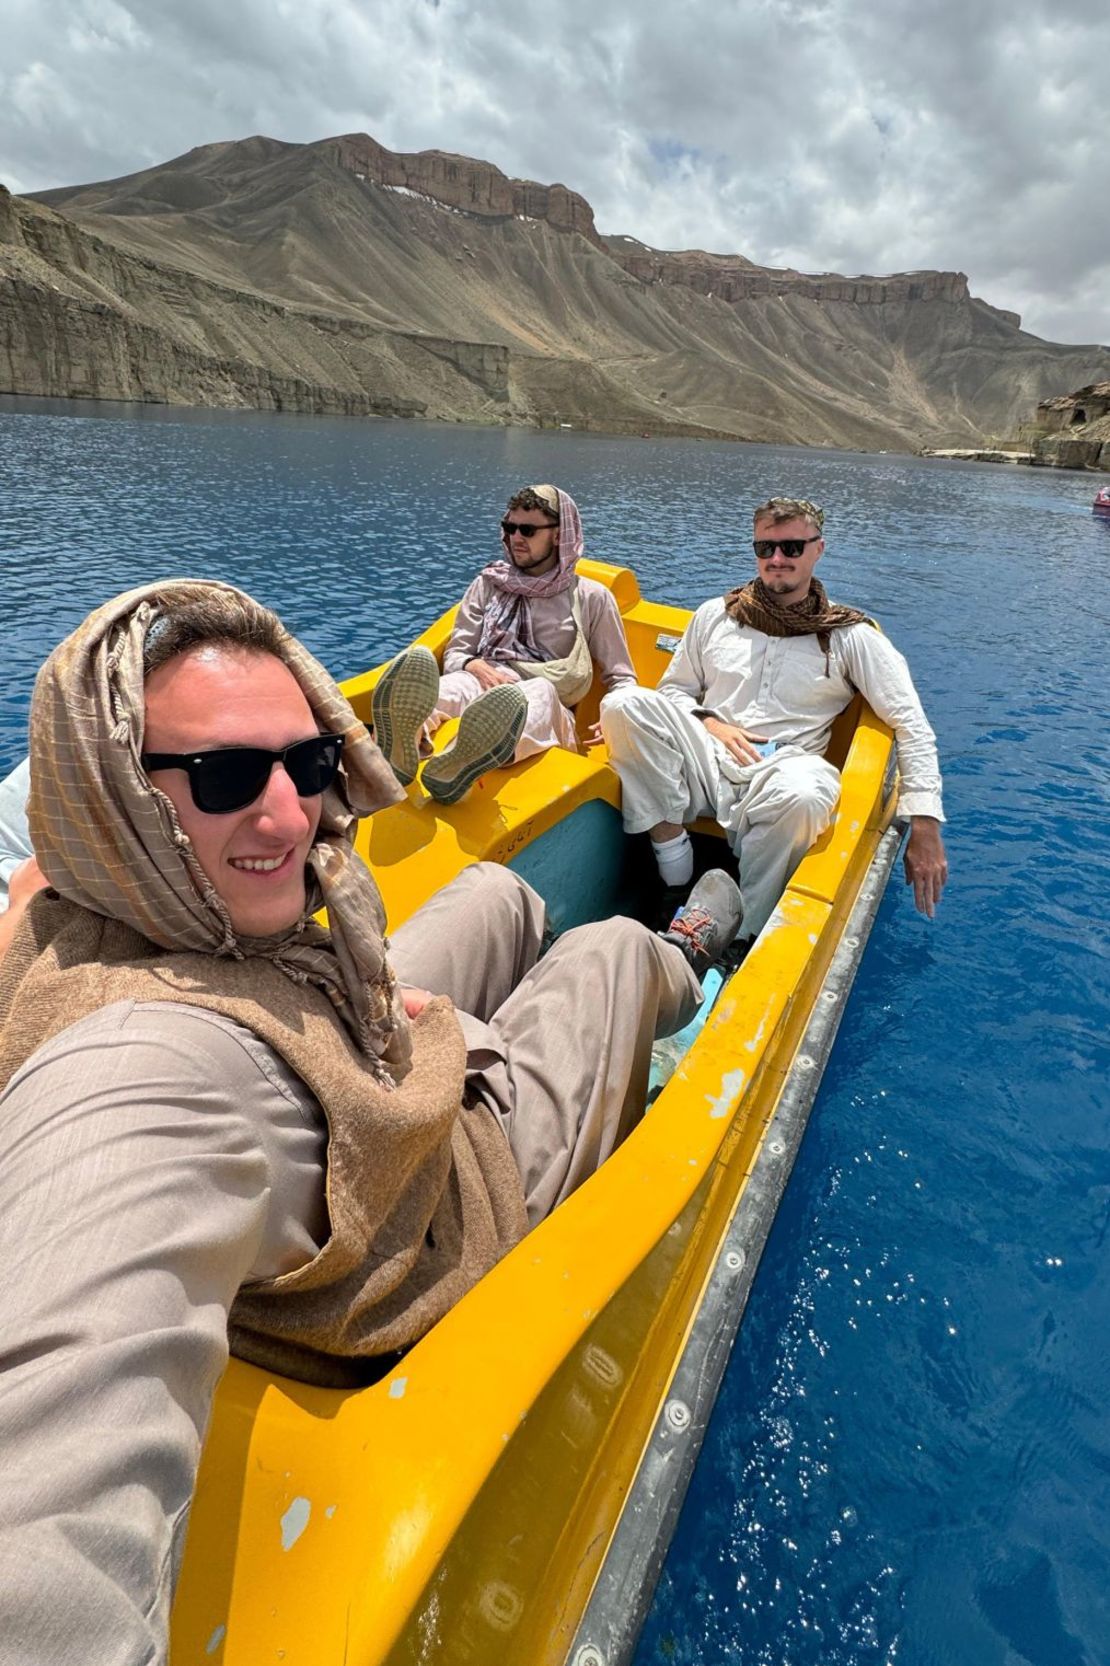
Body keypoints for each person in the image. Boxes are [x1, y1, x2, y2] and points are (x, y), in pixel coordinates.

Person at [0, 577, 730, 1663]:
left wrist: (375, 1011)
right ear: (113, 799)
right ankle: (693, 948)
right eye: (226, 776)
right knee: (605, 954)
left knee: (491, 894)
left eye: (305, 765)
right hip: (442, 1196)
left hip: (332, 1041)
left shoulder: (74, 906)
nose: (292, 814)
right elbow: (44, 1534)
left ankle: (526, 943)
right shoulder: (141, 1077)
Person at [601, 495, 948, 943]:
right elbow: (674, 692)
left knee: (808, 792)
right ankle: (675, 871)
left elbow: (911, 722)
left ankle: (740, 933)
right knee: (622, 703)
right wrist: (712, 723)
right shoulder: (716, 616)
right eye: (766, 548)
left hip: (782, 767)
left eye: (791, 548)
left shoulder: (848, 635)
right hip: (707, 755)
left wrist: (924, 824)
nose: (777, 559)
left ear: (817, 549)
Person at [371, 483, 637, 803]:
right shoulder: (489, 583)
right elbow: (457, 651)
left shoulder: (591, 597)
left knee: (537, 692)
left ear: (559, 534)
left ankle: (462, 758)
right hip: (483, 682)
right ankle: (398, 752)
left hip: (548, 709)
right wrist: (472, 663)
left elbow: (622, 678)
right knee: (447, 687)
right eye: (509, 527)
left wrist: (614, 716)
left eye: (527, 529)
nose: (516, 537)